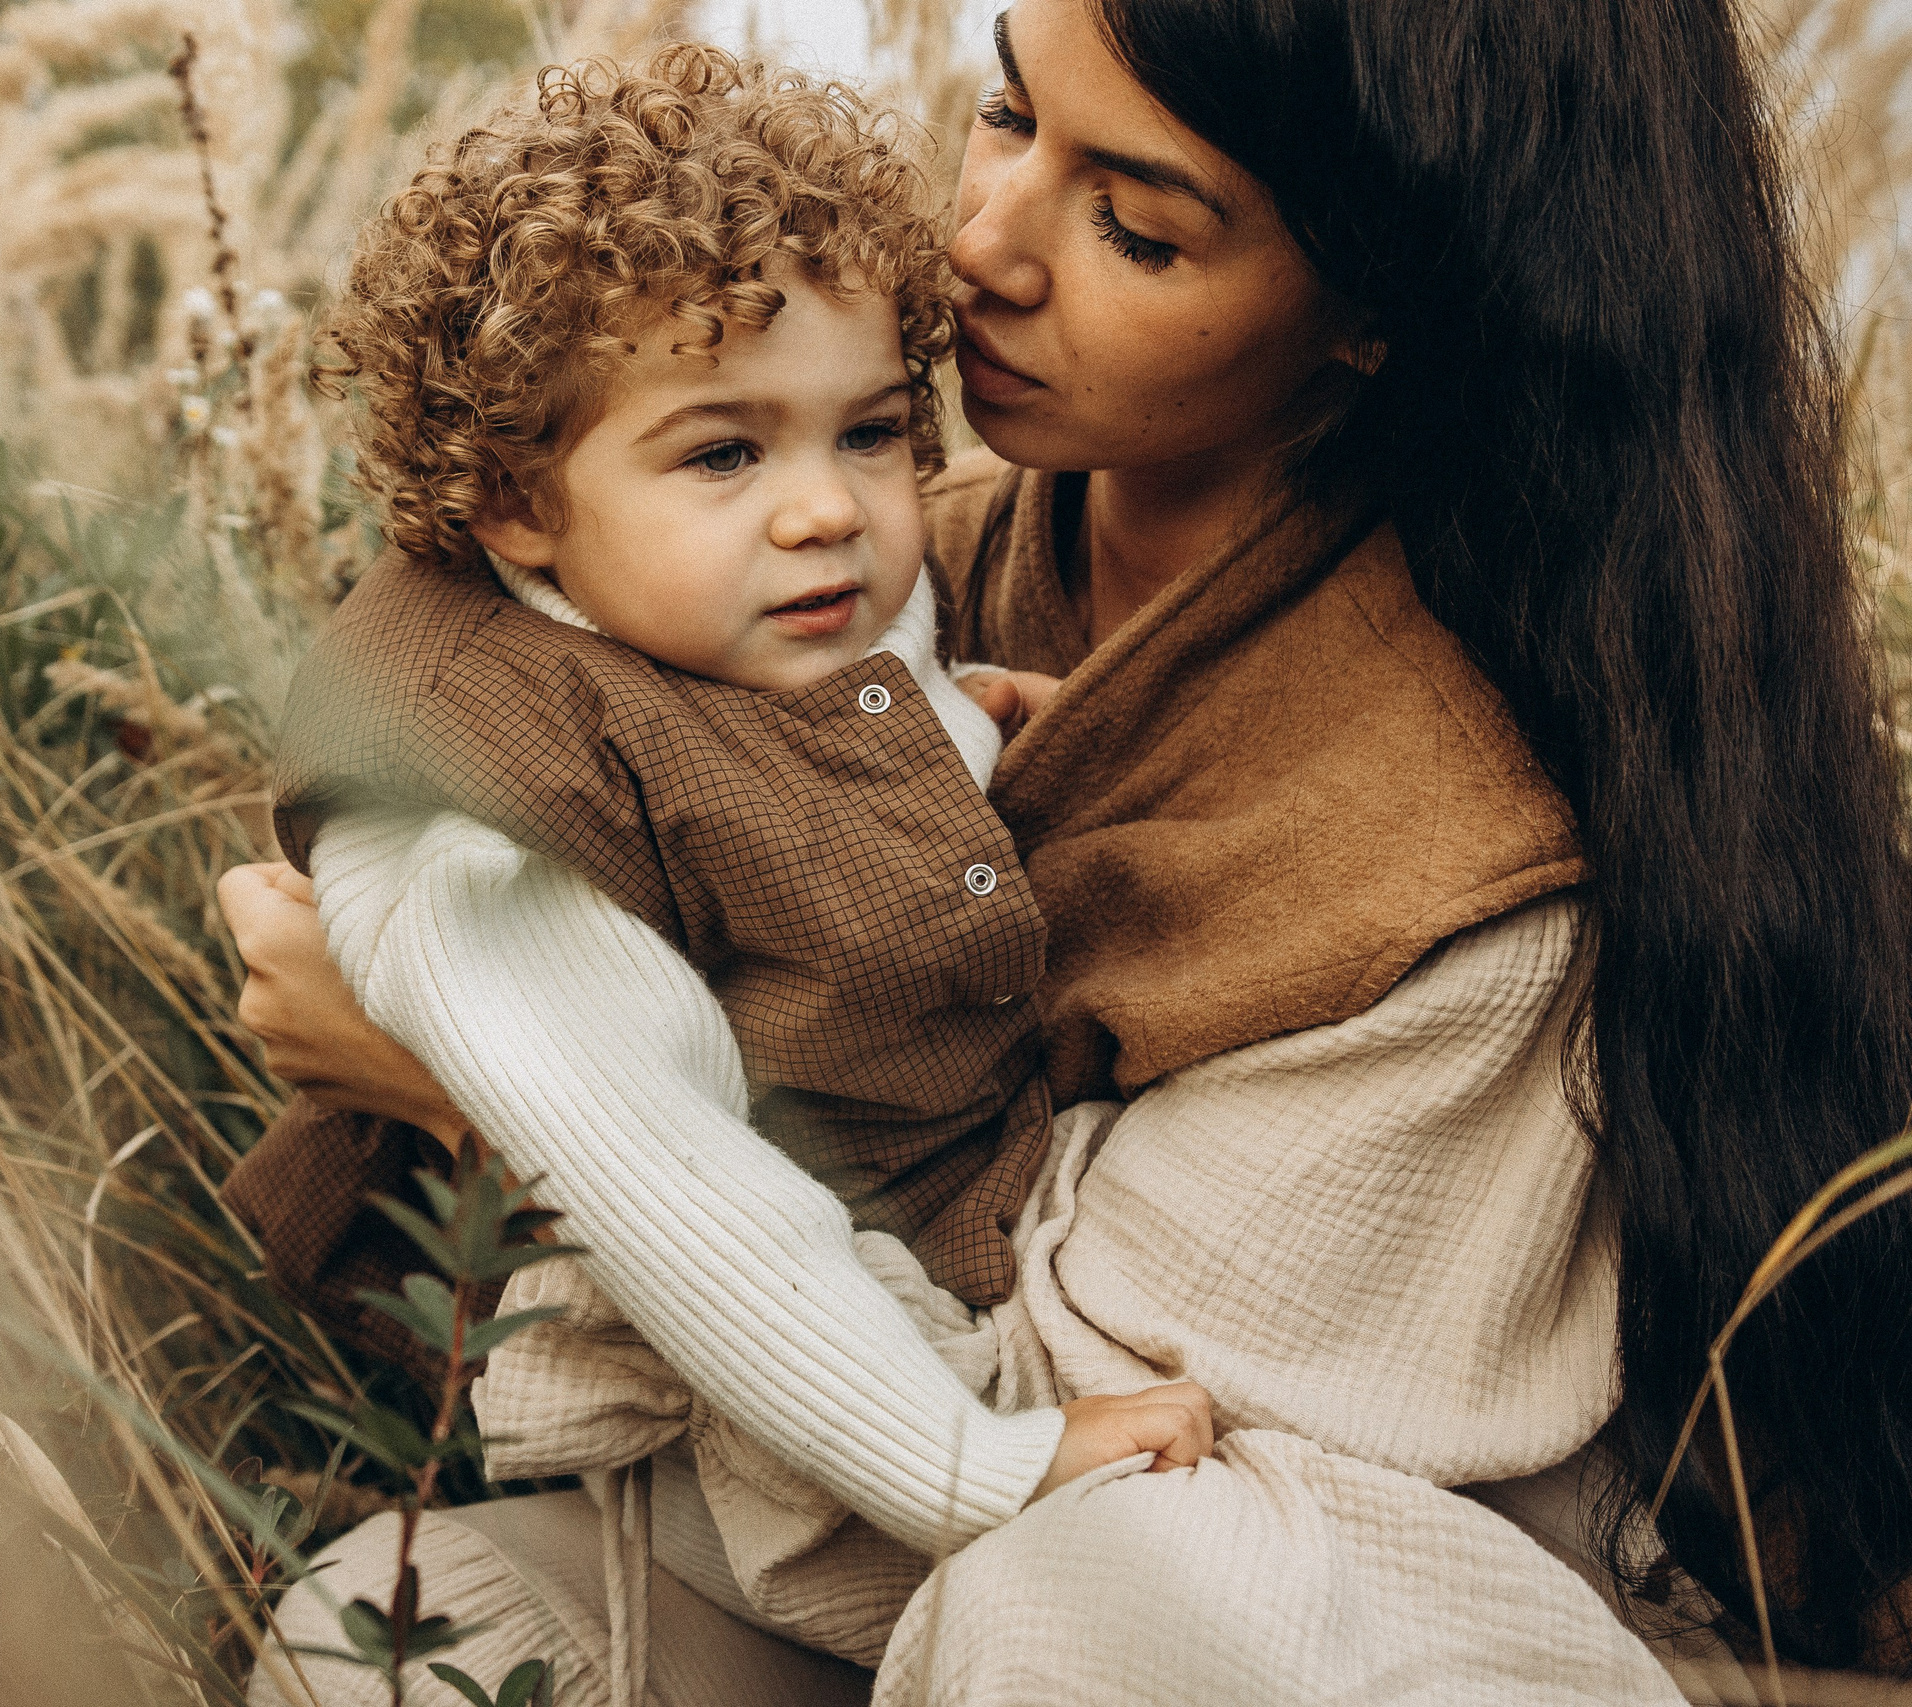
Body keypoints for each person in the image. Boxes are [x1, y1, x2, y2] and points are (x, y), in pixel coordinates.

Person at [226, 0, 1912, 1701]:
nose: (978, 251)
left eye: (1137, 225)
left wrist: (481, 1099)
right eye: (1011, 114)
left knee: (1089, 1601)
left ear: (1386, 307)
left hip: (1237, 1588)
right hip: (802, 1543)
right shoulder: (873, 571)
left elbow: (1099, 1465)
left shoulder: (1467, 869)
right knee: (388, 1644)